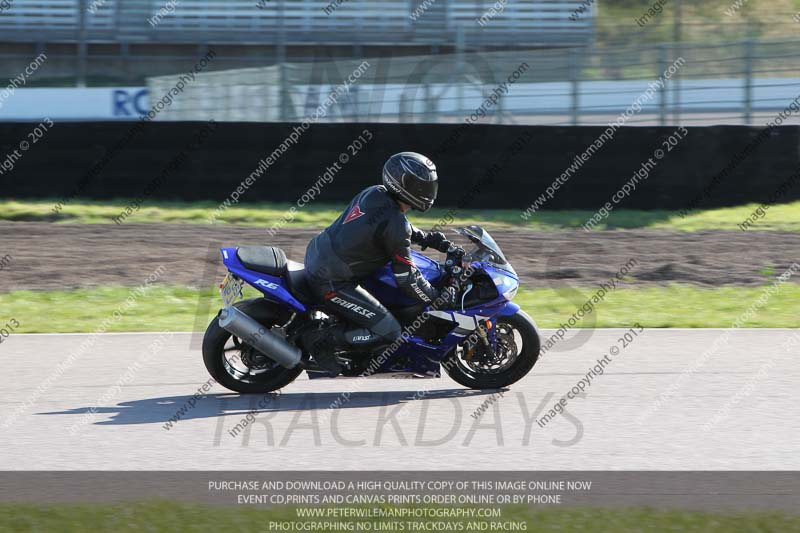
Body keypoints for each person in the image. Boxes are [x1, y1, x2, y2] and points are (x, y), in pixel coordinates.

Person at [303, 152, 460, 374]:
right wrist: (436, 298)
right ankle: (319, 339)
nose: (428, 191)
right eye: (422, 185)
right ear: (404, 184)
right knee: (391, 333)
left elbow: (392, 228)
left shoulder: (374, 192)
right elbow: (407, 278)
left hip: (320, 254)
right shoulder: (395, 222)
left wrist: (429, 239)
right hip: (332, 279)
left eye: (430, 185)